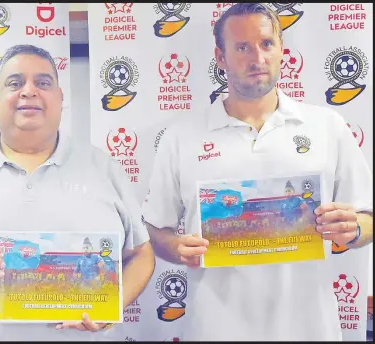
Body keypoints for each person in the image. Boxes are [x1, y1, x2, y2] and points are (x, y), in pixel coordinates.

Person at [143, 3, 373, 341]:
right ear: (220, 58)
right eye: (242, 47)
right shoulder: (182, 136)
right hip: (215, 329)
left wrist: (353, 229)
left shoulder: (328, 127)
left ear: (282, 51)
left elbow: (368, 219)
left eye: (266, 44)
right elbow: (153, 230)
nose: (257, 58)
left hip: (310, 329)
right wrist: (174, 247)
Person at [0, 44, 154, 341]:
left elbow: (142, 254)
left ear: (60, 99)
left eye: (43, 83)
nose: (29, 91)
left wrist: (112, 307)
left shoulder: (104, 168)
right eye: (15, 83)